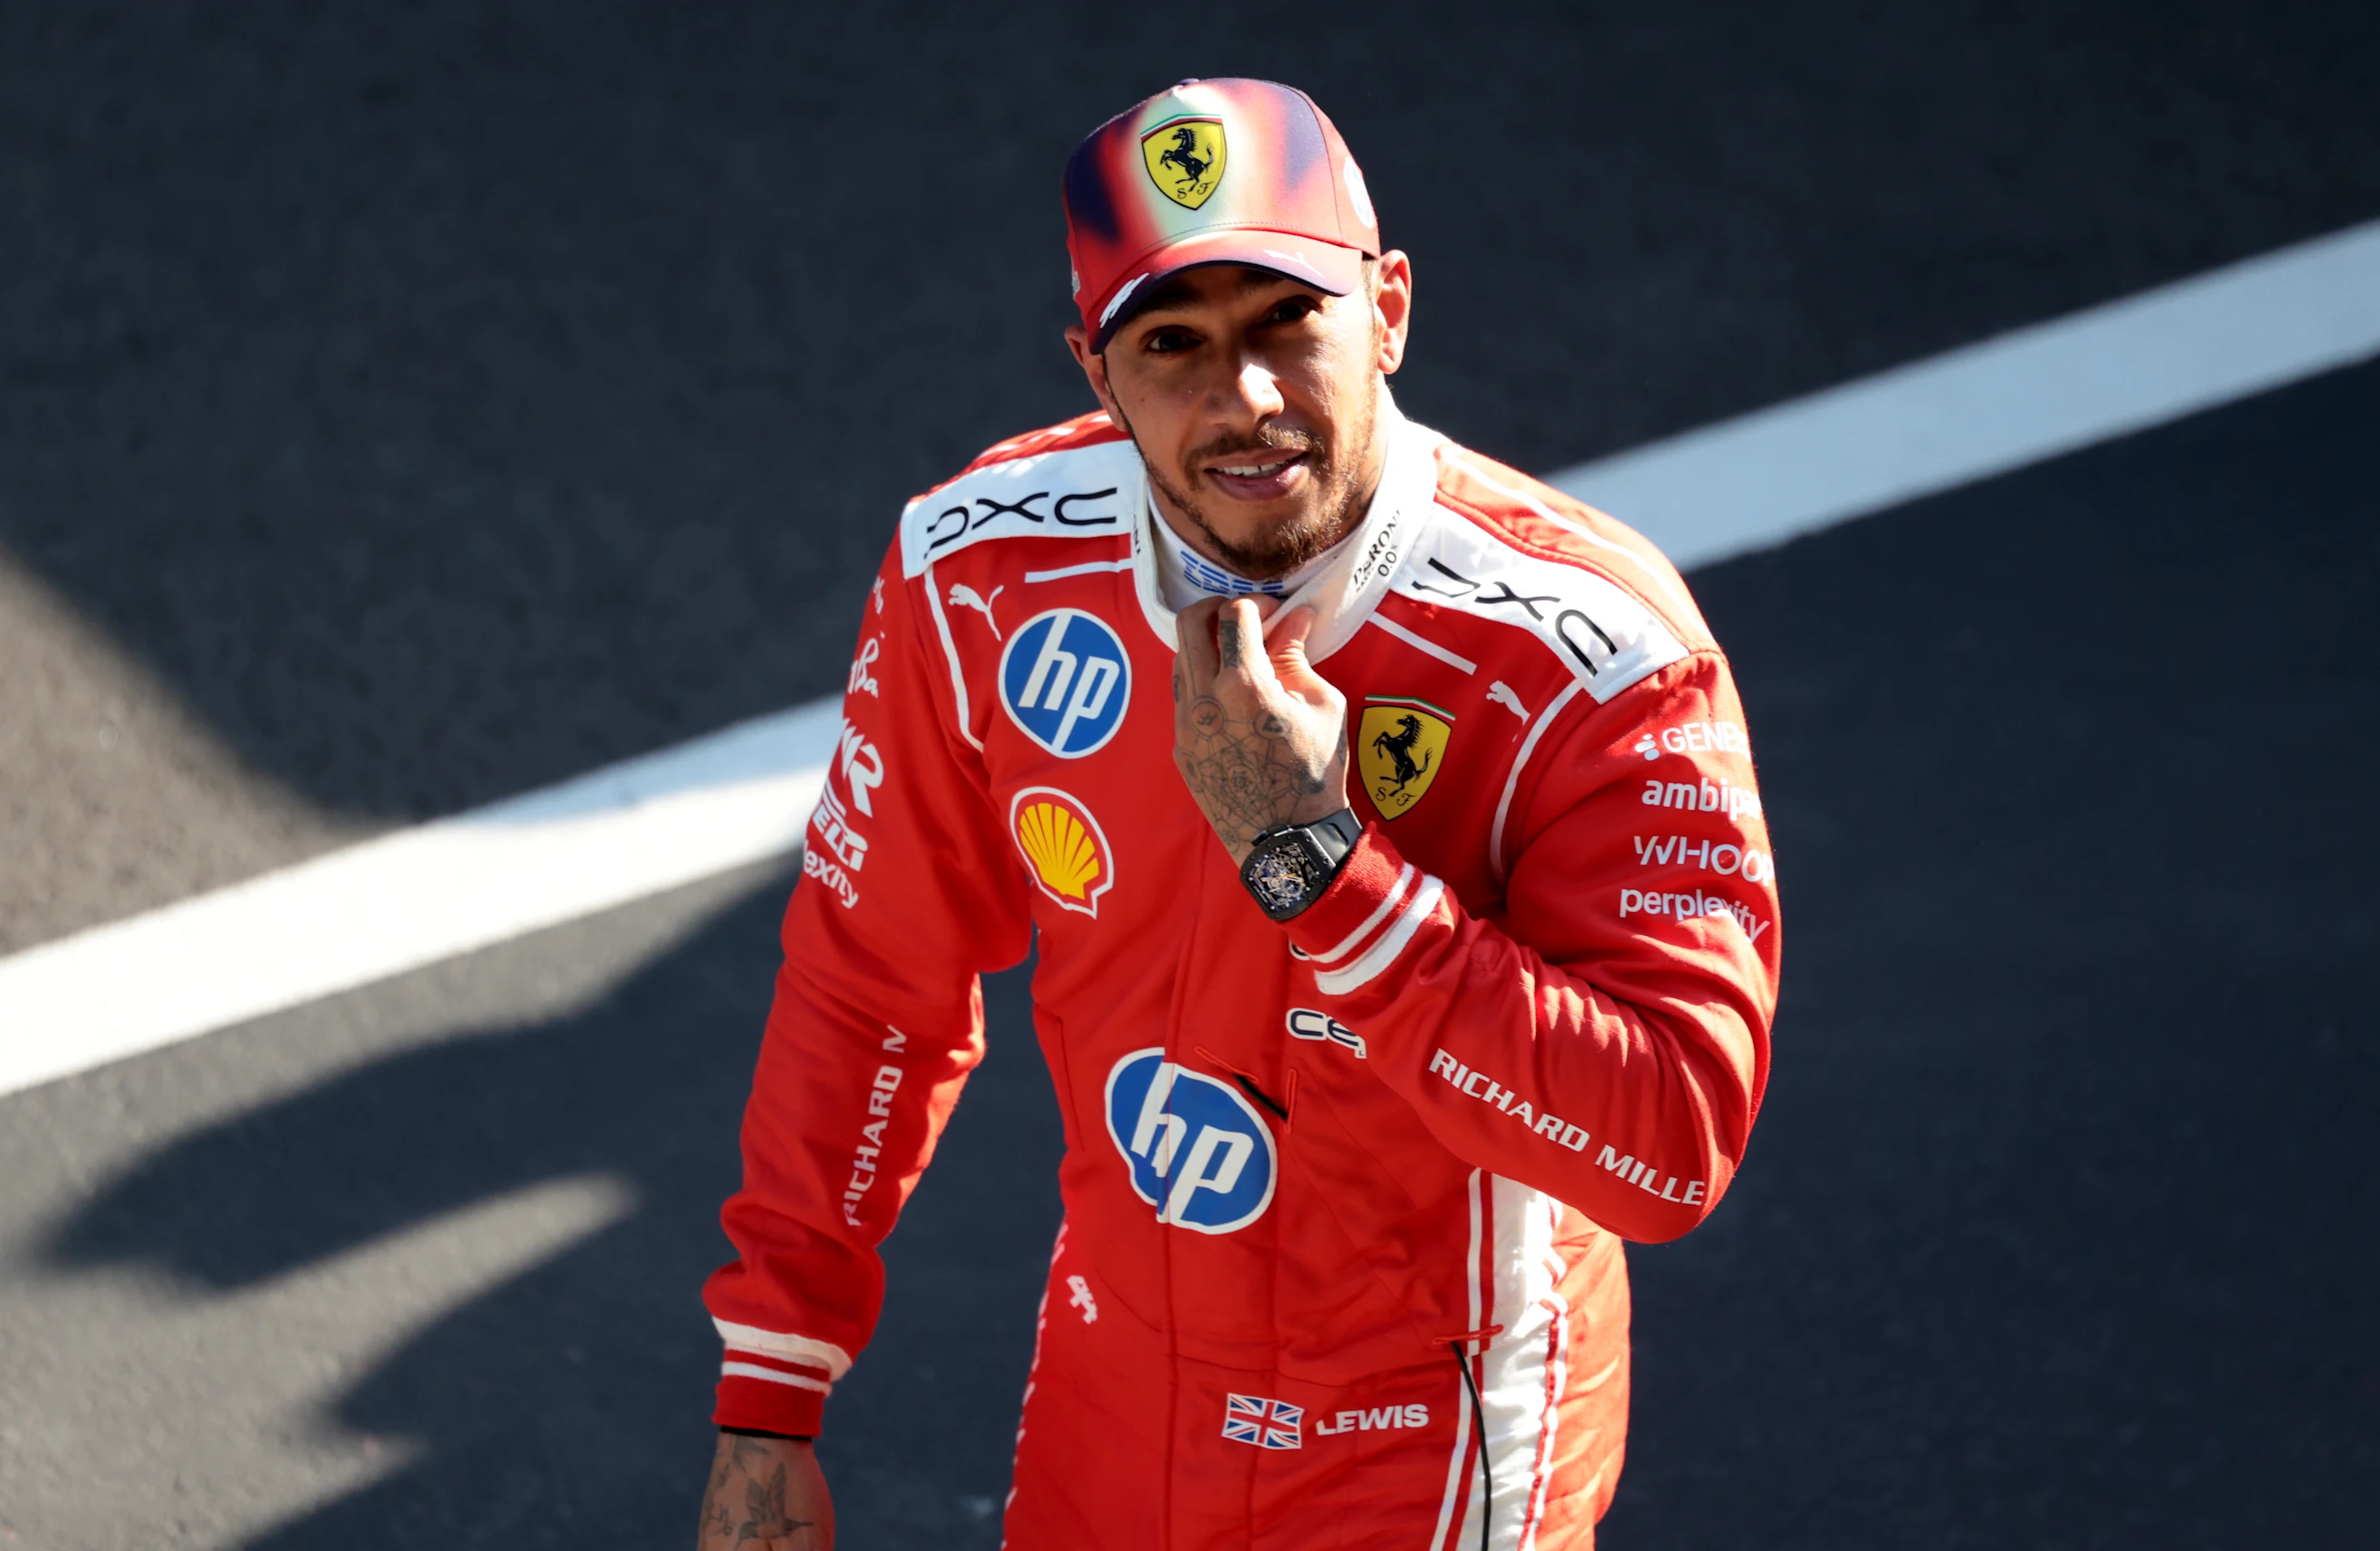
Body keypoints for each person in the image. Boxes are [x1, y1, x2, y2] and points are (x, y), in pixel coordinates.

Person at [693, 78, 1778, 1551]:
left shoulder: (1590, 652)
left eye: (1286, 320)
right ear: (1095, 367)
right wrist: (772, 1394)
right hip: (1114, 1388)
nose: (1244, 397)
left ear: (1388, 310)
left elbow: (1669, 1143)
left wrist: (1321, 867)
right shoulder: (977, 571)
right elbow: (872, 984)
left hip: (1435, 1434)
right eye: (1174, 344)